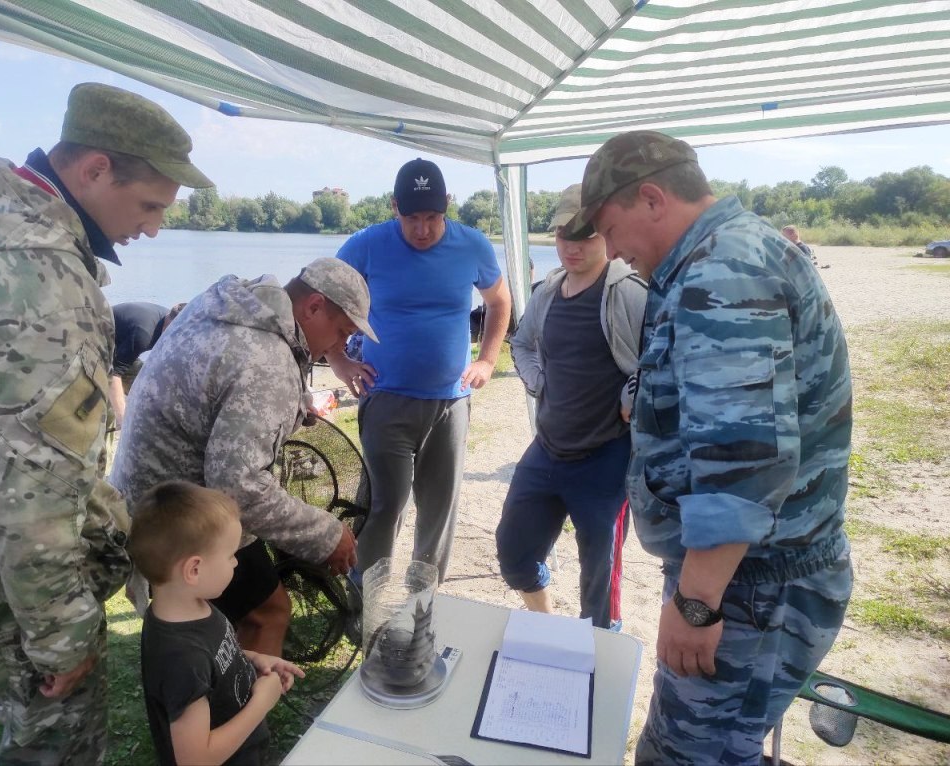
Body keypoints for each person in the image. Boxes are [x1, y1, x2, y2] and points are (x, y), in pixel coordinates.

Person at [0, 82, 213, 764]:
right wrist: (62, 633)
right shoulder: (44, 283)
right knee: (55, 751)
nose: (152, 229)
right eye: (148, 205)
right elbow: (30, 493)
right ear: (93, 170)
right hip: (0, 583)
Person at [565, 130, 854, 765]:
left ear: (651, 198)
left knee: (695, 757)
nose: (610, 253)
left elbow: (744, 461)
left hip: (752, 586)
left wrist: (695, 604)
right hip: (749, 576)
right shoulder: (723, 253)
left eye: (610, 230)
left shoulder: (720, 269)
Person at [110, 258, 373, 657]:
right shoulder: (268, 362)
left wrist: (295, 402)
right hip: (175, 513)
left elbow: (223, 382)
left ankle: (218, 684)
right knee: (267, 612)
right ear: (314, 306)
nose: (339, 347)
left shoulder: (235, 301)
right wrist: (326, 533)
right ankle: (239, 710)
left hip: (139, 492)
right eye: (341, 333)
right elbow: (238, 489)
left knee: (223, 615)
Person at [326, 158, 512, 585]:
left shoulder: (472, 245)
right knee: (385, 504)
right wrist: (338, 359)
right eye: (412, 218)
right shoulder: (367, 245)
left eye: (432, 217)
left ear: (447, 205)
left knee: (439, 508)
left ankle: (422, 599)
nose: (423, 229)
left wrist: (485, 360)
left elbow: (500, 301)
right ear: (394, 207)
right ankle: (365, 600)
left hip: (450, 402)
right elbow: (322, 298)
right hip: (386, 396)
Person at [496, 184, 646, 630]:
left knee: (598, 585)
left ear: (606, 234)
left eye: (585, 235)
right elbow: (521, 343)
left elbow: (664, 358)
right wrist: (538, 380)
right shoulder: (548, 291)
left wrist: (630, 394)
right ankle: (548, 628)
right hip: (547, 449)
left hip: (606, 461)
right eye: (564, 235)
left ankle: (598, 652)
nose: (573, 246)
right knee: (514, 551)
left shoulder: (628, 293)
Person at [129, 480, 304, 766]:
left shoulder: (192, 607)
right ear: (194, 570)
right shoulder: (181, 658)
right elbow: (197, 759)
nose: (236, 563)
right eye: (230, 555)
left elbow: (214, 661)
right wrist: (261, 702)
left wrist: (256, 659)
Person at [109, 300, 187, 425]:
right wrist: (123, 419)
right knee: (108, 406)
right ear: (171, 323)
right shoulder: (144, 334)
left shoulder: (169, 322)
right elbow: (113, 374)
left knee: (149, 387)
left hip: (121, 347)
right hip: (96, 342)